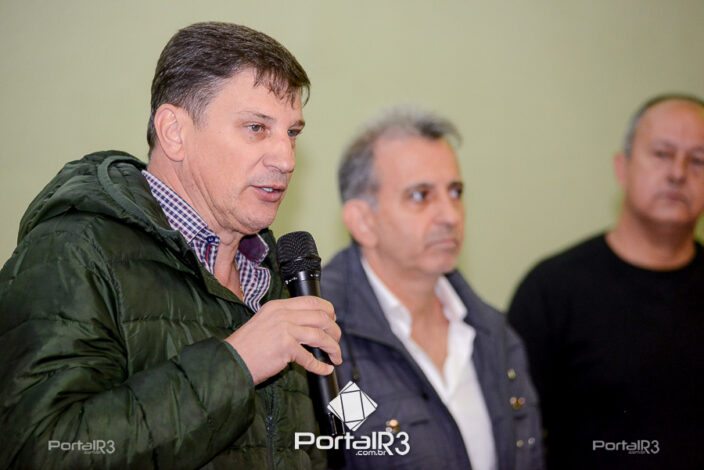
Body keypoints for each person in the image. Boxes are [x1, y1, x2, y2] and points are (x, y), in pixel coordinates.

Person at [0, 22, 342, 469]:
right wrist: (236, 364)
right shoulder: (73, 253)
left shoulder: (281, 277)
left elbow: (345, 438)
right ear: (174, 131)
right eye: (257, 127)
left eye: (292, 133)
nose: (286, 158)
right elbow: (41, 451)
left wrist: (368, 417)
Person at [321, 107, 544, 470]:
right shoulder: (323, 340)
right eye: (420, 196)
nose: (450, 216)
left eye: (455, 192)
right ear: (363, 221)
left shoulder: (494, 335)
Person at [507, 94, 704, 470]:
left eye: (698, 160)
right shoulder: (553, 290)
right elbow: (514, 434)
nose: (678, 173)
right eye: (662, 154)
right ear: (622, 167)